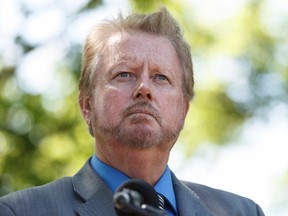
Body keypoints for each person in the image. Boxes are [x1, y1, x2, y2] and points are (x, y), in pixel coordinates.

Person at [0, 8, 264, 216]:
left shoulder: (242, 212)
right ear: (87, 105)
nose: (144, 89)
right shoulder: (20, 211)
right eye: (124, 74)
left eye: (161, 78)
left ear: (183, 110)